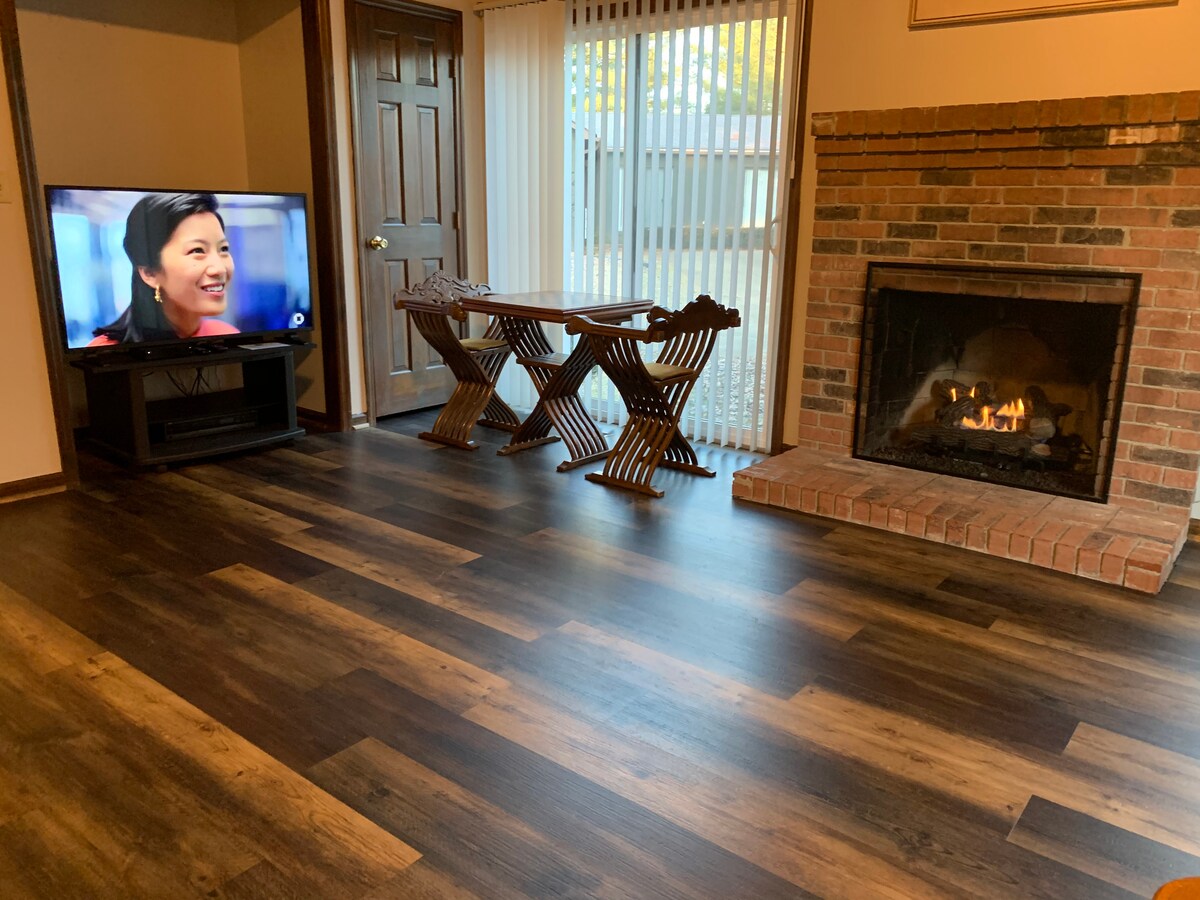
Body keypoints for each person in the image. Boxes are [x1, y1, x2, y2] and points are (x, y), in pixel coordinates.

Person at [88, 192, 239, 346]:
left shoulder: (226, 334)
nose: (220, 269)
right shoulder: (106, 352)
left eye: (223, 249)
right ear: (150, 273)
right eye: (197, 250)